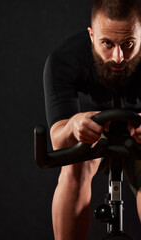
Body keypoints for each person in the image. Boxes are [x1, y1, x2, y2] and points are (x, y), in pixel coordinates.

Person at [43, 0, 141, 239]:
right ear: (92, 35)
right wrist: (73, 126)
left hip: (138, 141)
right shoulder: (64, 59)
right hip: (93, 140)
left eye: (128, 44)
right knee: (73, 169)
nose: (118, 57)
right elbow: (58, 141)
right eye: (107, 43)